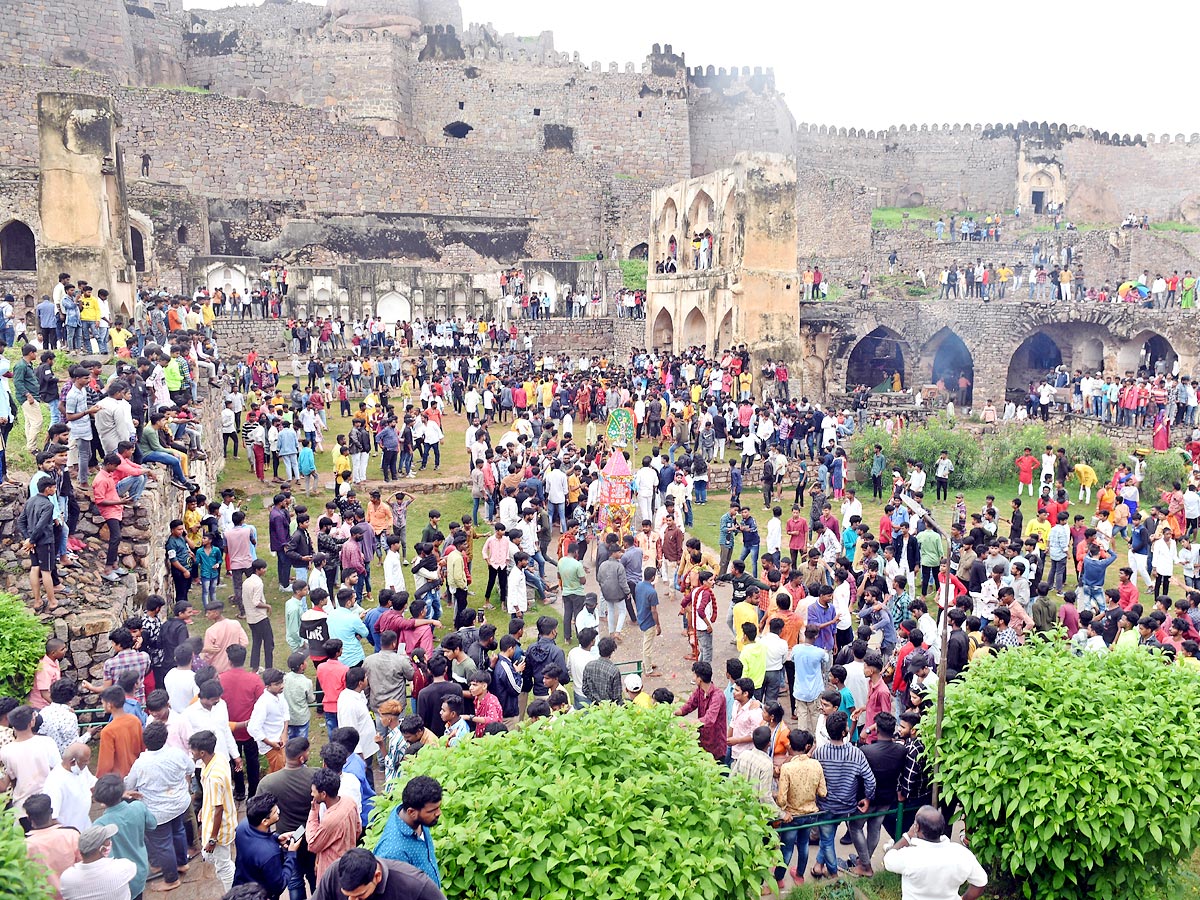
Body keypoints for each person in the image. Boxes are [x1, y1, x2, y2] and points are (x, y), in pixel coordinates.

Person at [124, 721, 193, 894]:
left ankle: (171, 879)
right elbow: (190, 768)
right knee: (178, 831)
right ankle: (182, 863)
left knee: (163, 844)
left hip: (158, 811)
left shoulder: (141, 763)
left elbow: (129, 785)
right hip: (179, 803)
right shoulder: (177, 753)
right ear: (165, 738)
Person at [883, 805, 988, 899]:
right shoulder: (961, 853)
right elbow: (981, 882)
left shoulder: (909, 856)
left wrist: (907, 836)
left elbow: (888, 859)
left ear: (917, 827)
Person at [190, 729, 238, 892]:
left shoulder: (214, 777)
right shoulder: (218, 759)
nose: (191, 752)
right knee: (214, 857)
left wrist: (212, 839)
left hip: (219, 827)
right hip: (217, 821)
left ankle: (233, 894)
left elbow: (218, 810)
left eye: (193, 750)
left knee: (223, 867)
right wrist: (205, 806)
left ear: (202, 752)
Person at [373, 775, 443, 887]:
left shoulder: (417, 819)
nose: (438, 813)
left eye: (439, 807)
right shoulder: (393, 852)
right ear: (411, 812)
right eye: (432, 810)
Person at [311, 848, 446, 900]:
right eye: (348, 896)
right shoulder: (334, 872)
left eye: (359, 896)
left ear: (377, 876)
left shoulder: (414, 884)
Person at [233, 793, 300, 898]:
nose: (278, 811)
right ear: (264, 821)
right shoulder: (269, 854)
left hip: (240, 887)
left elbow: (258, 838)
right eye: (274, 812)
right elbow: (279, 885)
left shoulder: (243, 826)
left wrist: (276, 838)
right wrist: (291, 854)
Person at [307, 766, 362, 883]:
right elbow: (358, 829)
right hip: (348, 862)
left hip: (332, 872)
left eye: (314, 791)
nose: (312, 794)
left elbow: (313, 844)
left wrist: (313, 813)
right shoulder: (349, 801)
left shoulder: (330, 820)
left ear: (323, 794)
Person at [23, 793, 82, 898]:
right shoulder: (72, 835)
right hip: (76, 894)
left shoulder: (26, 846)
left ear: (29, 819)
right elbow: (85, 865)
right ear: (51, 812)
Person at [58, 825, 136, 900]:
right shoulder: (122, 867)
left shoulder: (66, 878)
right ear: (102, 849)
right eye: (108, 841)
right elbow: (133, 868)